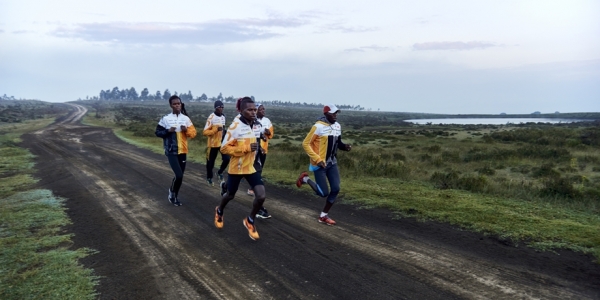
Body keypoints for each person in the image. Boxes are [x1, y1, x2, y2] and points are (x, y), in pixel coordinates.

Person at [214, 97, 266, 240]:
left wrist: (259, 147)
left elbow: (254, 139)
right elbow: (224, 149)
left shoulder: (257, 125)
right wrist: (246, 148)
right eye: (249, 110)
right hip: (237, 167)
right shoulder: (235, 126)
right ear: (241, 111)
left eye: (255, 109)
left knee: (261, 196)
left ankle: (250, 221)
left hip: (251, 166)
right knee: (230, 195)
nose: (253, 112)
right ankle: (219, 210)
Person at [296, 104, 351, 225]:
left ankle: (323, 215)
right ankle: (305, 179)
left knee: (336, 189)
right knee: (323, 193)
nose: (335, 115)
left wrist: (344, 146)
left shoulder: (337, 126)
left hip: (332, 163)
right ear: (326, 114)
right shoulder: (318, 127)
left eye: (337, 113)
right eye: (333, 113)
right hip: (320, 164)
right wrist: (317, 159)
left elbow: (338, 143)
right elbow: (306, 144)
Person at [155, 95, 197, 206]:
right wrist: (168, 131)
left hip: (183, 150)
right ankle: (172, 195)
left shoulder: (186, 119)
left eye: (178, 103)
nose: (177, 105)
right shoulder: (166, 119)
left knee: (180, 176)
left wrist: (186, 130)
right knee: (178, 175)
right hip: (171, 150)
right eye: (174, 104)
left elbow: (193, 134)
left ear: (181, 104)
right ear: (171, 105)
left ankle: (174, 195)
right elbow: (158, 132)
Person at [248, 103, 274, 219]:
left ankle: (260, 208)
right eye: (261, 109)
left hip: (260, 152)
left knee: (257, 175)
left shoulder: (266, 121)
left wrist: (266, 135)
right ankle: (226, 187)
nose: (263, 110)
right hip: (247, 154)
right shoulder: (247, 122)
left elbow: (270, 134)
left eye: (264, 109)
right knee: (233, 187)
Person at [203, 100, 230, 186]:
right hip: (212, 144)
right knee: (210, 163)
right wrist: (215, 130)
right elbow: (205, 132)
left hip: (222, 143)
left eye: (222, 107)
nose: (221, 109)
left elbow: (223, 129)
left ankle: (219, 172)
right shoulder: (211, 117)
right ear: (215, 108)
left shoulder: (223, 117)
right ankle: (209, 178)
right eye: (219, 107)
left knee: (227, 159)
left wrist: (226, 135)